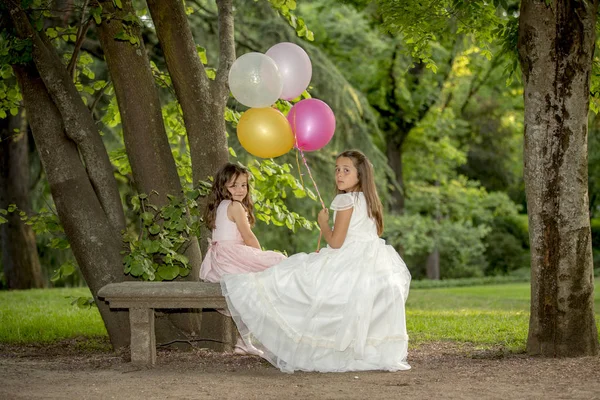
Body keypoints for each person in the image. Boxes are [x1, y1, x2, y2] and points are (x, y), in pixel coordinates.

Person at [221, 150, 412, 373]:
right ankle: (364, 351)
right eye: (337, 169)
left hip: (348, 261)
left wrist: (323, 223)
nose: (339, 175)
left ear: (361, 175)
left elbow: (336, 242)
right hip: (374, 264)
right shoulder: (370, 201)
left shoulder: (345, 200)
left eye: (346, 170)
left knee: (293, 279)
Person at [200, 163, 286, 355]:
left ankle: (243, 342)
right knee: (277, 262)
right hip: (231, 256)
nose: (240, 190)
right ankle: (267, 336)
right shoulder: (235, 206)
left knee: (251, 291)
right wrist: (259, 256)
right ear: (222, 187)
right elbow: (248, 237)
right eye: (234, 185)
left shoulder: (220, 206)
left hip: (220, 261)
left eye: (244, 185)